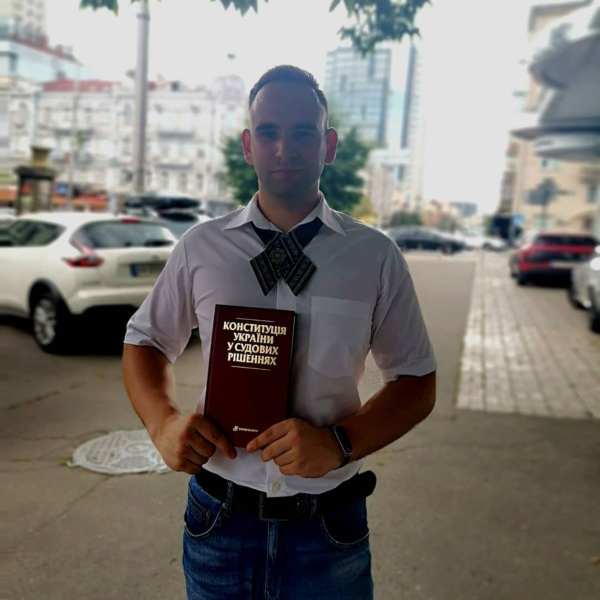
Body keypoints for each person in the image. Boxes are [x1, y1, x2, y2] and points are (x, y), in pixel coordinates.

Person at [122, 65, 436, 600]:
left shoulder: (374, 256)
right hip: (219, 520)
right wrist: (162, 423)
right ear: (248, 146)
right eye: (268, 132)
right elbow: (145, 341)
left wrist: (340, 443)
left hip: (328, 528)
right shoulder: (202, 248)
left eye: (303, 133)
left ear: (328, 145)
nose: (284, 148)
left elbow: (416, 381)